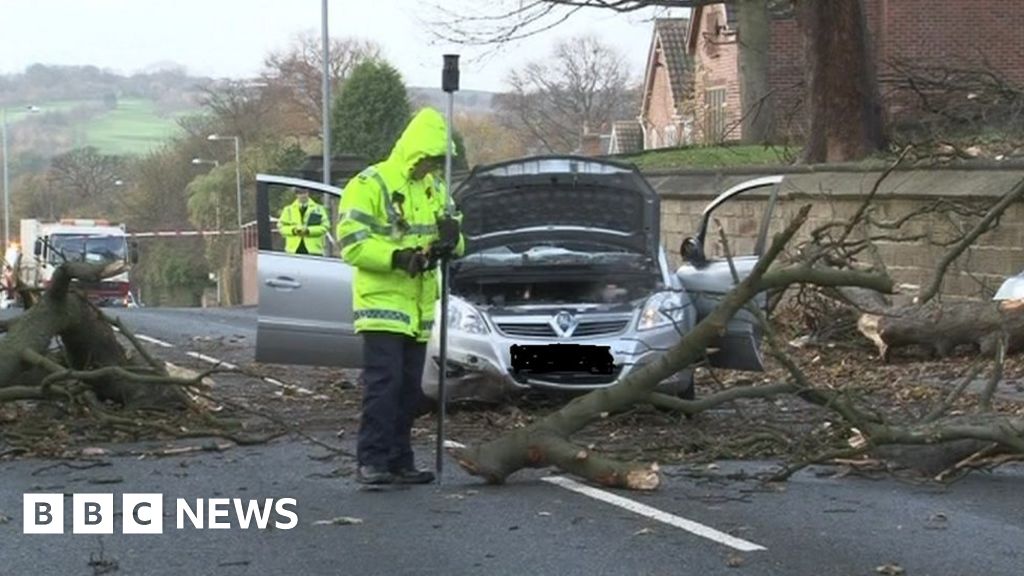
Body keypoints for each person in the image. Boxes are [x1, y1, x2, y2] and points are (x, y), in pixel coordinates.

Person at [336, 107, 463, 485]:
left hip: (420, 304)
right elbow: (352, 243)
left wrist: (450, 241)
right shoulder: (371, 183)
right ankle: (371, 460)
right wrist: (397, 257)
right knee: (384, 383)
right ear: (414, 152)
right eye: (428, 159)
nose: (432, 167)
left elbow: (459, 241)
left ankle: (399, 459)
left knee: (410, 388)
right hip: (382, 303)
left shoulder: (436, 188)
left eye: (437, 161)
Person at [277, 188, 329, 255]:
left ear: (308, 193)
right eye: (300, 193)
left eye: (304, 193)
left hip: (314, 251)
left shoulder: (318, 209)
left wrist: (308, 231)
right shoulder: (288, 210)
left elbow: (325, 227)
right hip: (293, 251)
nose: (303, 195)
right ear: (296, 195)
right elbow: (281, 227)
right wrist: (294, 231)